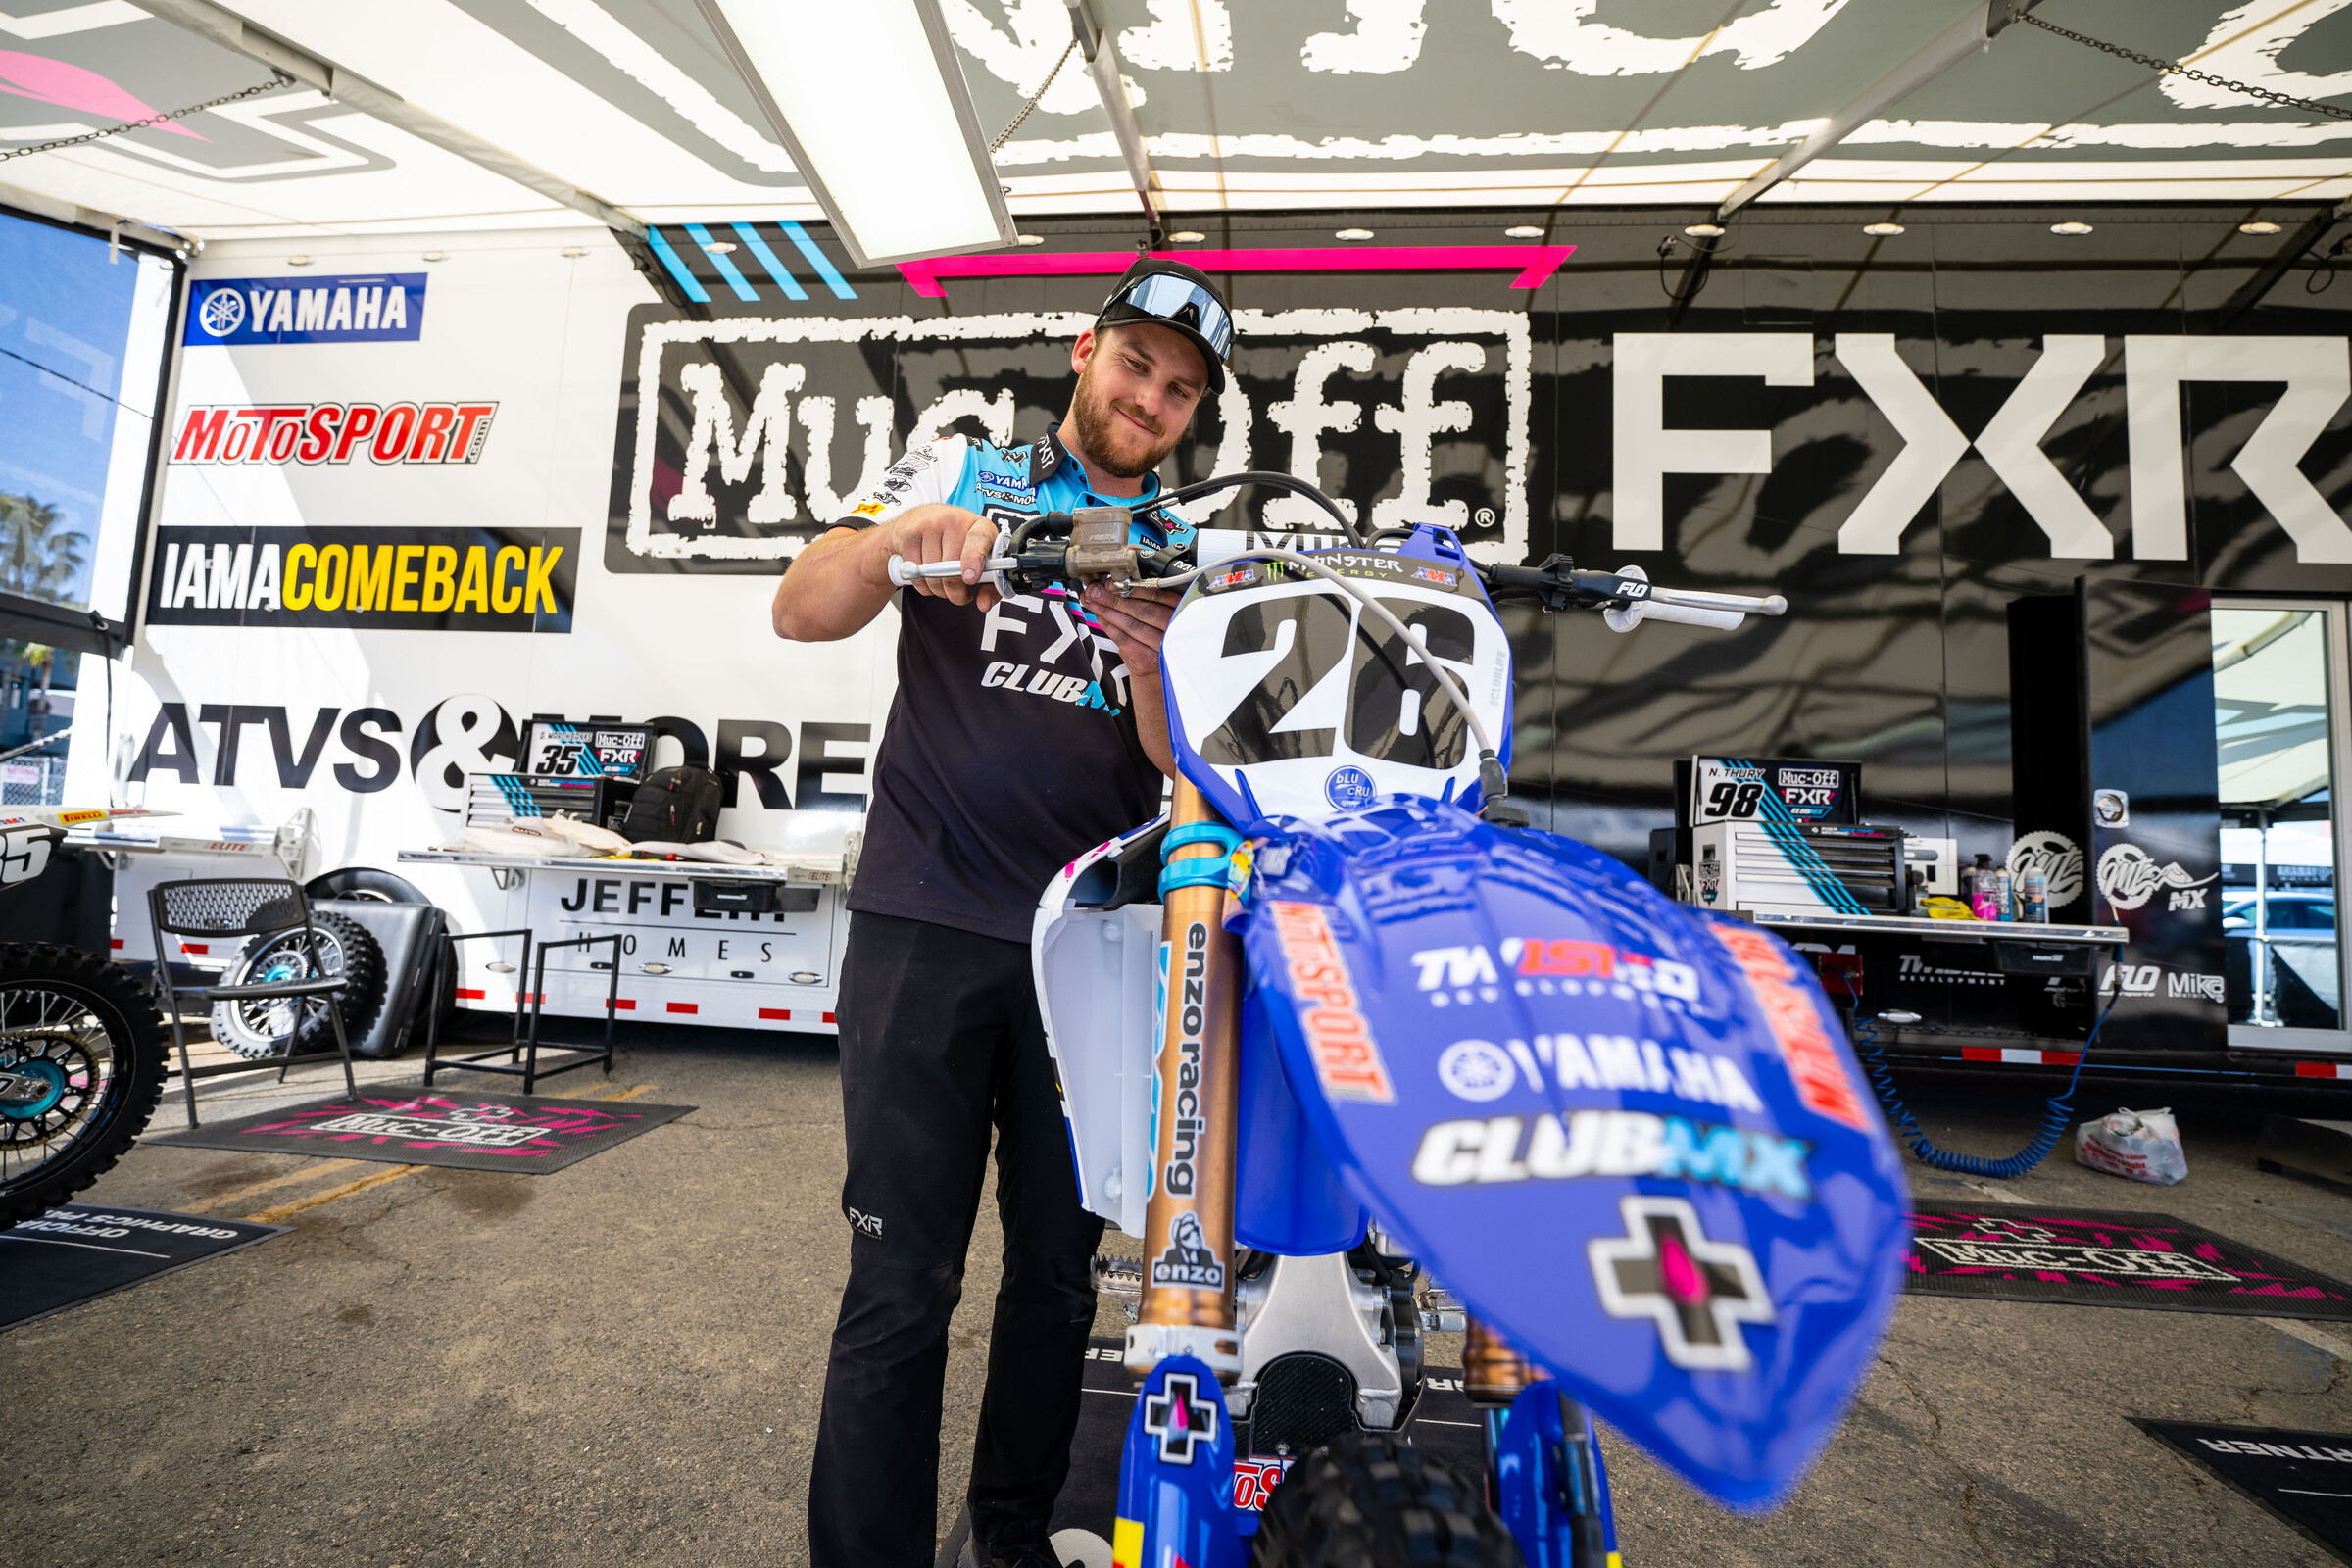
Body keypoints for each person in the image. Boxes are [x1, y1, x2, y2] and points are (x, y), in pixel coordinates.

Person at [772, 257, 1237, 1568]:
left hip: (1087, 952)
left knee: (1053, 1275)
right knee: (900, 1276)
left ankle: (1014, 1534)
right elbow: (802, 607)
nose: (1152, 397)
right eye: (1139, 363)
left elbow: (1183, 763)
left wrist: (1155, 655)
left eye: (1181, 388)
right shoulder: (965, 471)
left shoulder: (1188, 550)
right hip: (921, 921)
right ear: (1085, 351)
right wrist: (890, 544)